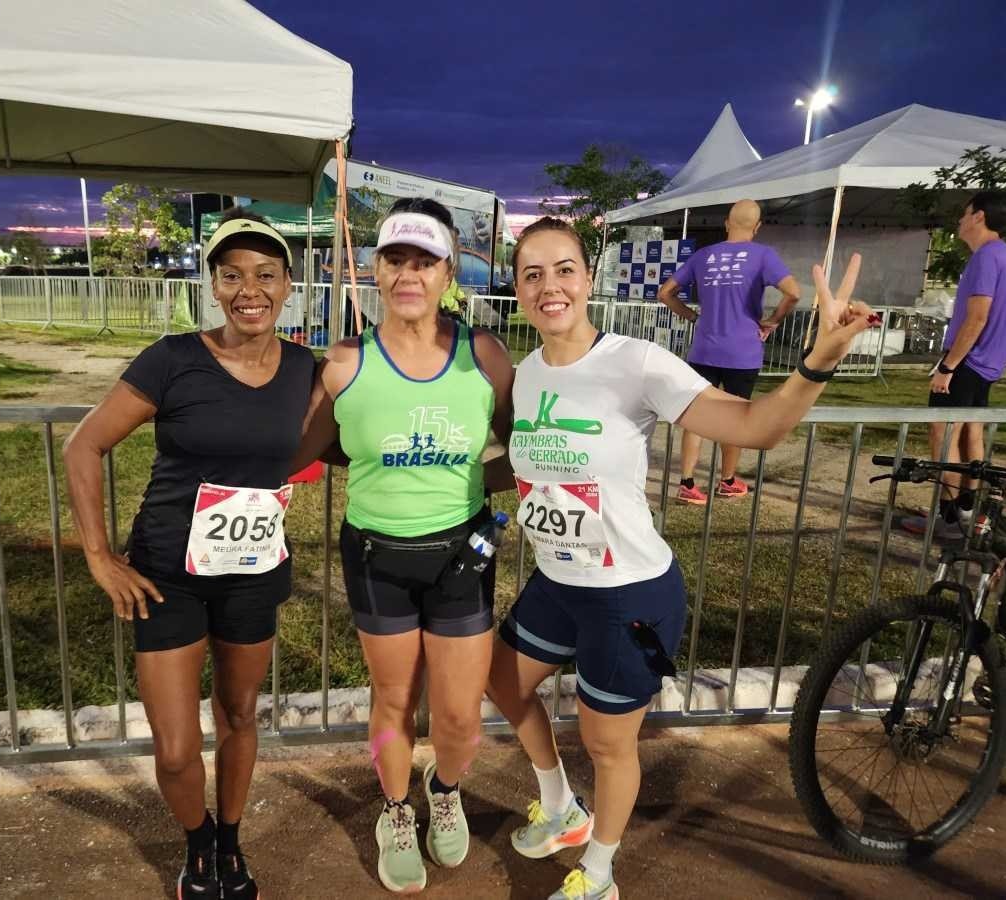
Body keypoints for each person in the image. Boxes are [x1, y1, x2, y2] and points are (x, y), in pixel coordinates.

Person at [484, 217, 877, 900]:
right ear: (517, 288)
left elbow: (755, 427)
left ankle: (601, 875)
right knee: (504, 683)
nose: (550, 285)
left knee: (608, 745)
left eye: (564, 269)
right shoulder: (522, 376)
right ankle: (559, 808)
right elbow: (519, 466)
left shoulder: (635, 362)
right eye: (533, 273)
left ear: (588, 278)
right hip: (558, 580)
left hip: (629, 593)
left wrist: (819, 360)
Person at [63, 210, 314, 900]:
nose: (248, 289)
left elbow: (344, 437)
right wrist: (99, 555)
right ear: (213, 284)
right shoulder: (172, 359)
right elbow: (83, 445)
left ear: (289, 285)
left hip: (254, 575)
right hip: (168, 576)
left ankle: (228, 845)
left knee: (238, 717)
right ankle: (196, 840)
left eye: (265, 274)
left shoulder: (304, 370)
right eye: (231, 274)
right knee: (175, 748)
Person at [294, 197, 514, 893]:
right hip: (376, 558)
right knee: (393, 700)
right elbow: (307, 447)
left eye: (426, 260)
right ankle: (394, 810)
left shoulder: (484, 355)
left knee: (457, 716)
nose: (409, 274)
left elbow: (524, 447)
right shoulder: (344, 362)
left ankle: (443, 788)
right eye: (396, 259)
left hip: (460, 556)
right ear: (376, 271)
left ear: (450, 271)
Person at [657, 199, 800, 504]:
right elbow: (794, 293)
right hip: (743, 353)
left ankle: (687, 483)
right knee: (736, 418)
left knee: (694, 416)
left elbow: (665, 293)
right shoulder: (763, 255)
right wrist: (773, 321)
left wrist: (694, 317)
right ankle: (727, 481)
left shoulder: (703, 256)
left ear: (726, 223)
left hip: (703, 351)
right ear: (757, 227)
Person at [903, 190, 1006, 541]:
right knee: (970, 434)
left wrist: (947, 367)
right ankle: (966, 510)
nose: (960, 221)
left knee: (943, 433)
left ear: (979, 216)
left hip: (968, 361)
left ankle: (947, 516)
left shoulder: (986, 257)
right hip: (988, 362)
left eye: (964, 214)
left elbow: (977, 318)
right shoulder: (1004, 255)